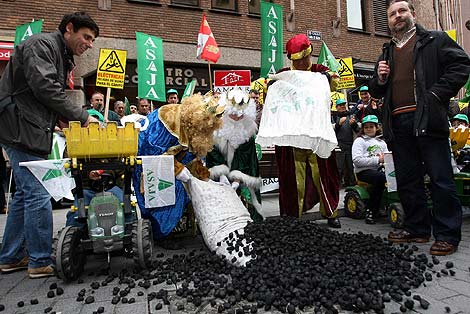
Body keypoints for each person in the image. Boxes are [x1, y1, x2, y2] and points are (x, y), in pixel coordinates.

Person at [0, 11, 100, 277]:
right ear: (69, 28)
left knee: (23, 195)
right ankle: (40, 260)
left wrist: (58, 120)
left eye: (92, 40)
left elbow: (39, 95)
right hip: (19, 129)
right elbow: (44, 87)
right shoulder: (42, 45)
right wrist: (80, 115)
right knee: (37, 193)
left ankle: (10, 257)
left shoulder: (60, 55)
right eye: (86, 37)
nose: (89, 44)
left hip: (29, 129)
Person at [369, 0, 470, 255]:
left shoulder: (435, 40)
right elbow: (376, 90)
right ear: (389, 21)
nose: (397, 16)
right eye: (392, 14)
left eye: (402, 11)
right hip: (398, 123)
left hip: (428, 120)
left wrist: (437, 94)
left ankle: (447, 235)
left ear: (412, 14)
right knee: (407, 180)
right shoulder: (387, 51)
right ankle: (418, 229)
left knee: (440, 178)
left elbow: (462, 65)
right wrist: (379, 78)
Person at [259, 34, 342, 228]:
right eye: (299, 60)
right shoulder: (284, 73)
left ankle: (331, 212)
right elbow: (267, 87)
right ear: (292, 59)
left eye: (305, 58)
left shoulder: (319, 70)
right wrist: (270, 86)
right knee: (291, 179)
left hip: (316, 134)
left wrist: (327, 77)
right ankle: (291, 217)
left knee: (324, 174)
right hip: (291, 137)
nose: (304, 62)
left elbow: (335, 79)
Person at [133, 93, 224, 242]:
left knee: (191, 190)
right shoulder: (168, 119)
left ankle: (179, 228)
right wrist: (178, 169)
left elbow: (192, 156)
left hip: (166, 163)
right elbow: (151, 153)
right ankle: (162, 234)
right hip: (146, 164)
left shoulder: (196, 129)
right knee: (172, 191)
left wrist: (205, 178)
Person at [206, 89, 263, 222]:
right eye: (234, 115)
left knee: (246, 207)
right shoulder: (216, 129)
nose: (237, 119)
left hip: (244, 172)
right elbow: (213, 154)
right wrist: (221, 175)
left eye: (241, 116)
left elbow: (246, 157)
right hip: (220, 174)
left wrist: (237, 180)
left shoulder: (248, 129)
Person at [352, 115, 388, 224]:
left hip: (380, 169)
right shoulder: (360, 141)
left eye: (371, 126)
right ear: (363, 128)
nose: (369, 129)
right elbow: (357, 160)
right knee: (380, 178)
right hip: (363, 171)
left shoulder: (382, 142)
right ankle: (371, 210)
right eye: (366, 127)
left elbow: (386, 157)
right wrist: (378, 160)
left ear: (376, 127)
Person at [332, 98, 359, 187]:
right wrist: (338, 124)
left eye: (344, 104)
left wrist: (354, 124)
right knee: (339, 166)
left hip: (350, 143)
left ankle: (351, 183)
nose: (343, 106)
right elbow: (331, 130)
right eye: (340, 105)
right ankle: (337, 184)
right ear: (337, 107)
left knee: (350, 165)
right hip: (339, 144)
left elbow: (358, 130)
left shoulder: (351, 115)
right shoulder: (334, 116)